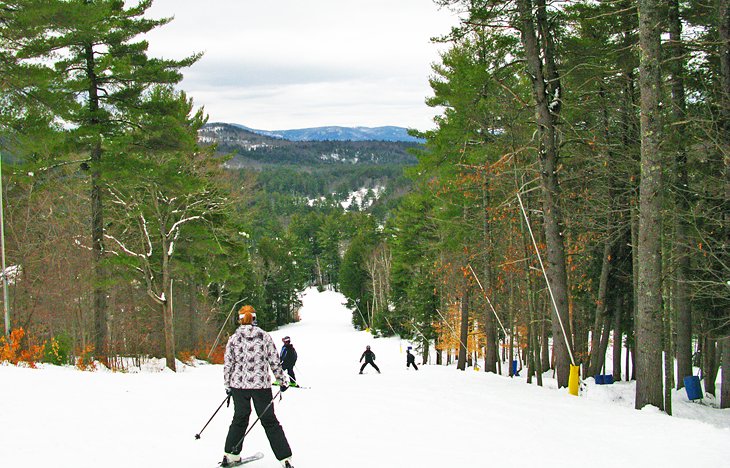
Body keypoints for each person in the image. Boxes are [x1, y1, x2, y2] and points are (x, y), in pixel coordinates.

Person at [223, 305, 295, 468]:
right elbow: (274, 361)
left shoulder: (234, 338)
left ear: (239, 320)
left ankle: (230, 454)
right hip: (260, 386)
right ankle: (285, 458)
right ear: (255, 319)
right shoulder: (264, 337)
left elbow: (228, 364)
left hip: (238, 386)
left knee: (239, 418)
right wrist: (282, 381)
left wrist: (228, 385)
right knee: (269, 421)